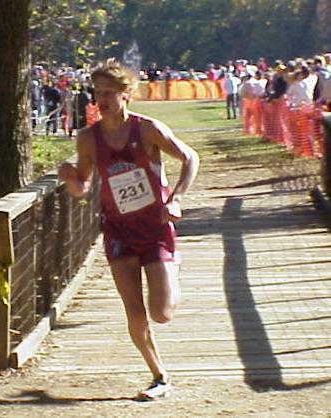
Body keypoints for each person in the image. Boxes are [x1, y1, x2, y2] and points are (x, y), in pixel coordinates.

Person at [58, 58, 199, 401]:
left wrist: (176, 198)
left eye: (109, 92)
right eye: (97, 92)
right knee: (134, 311)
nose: (101, 99)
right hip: (118, 230)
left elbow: (190, 157)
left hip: (154, 227)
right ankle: (158, 375)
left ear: (126, 95)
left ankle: (172, 269)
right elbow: (84, 187)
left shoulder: (146, 129)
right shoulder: (89, 138)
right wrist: (70, 179)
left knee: (161, 313)